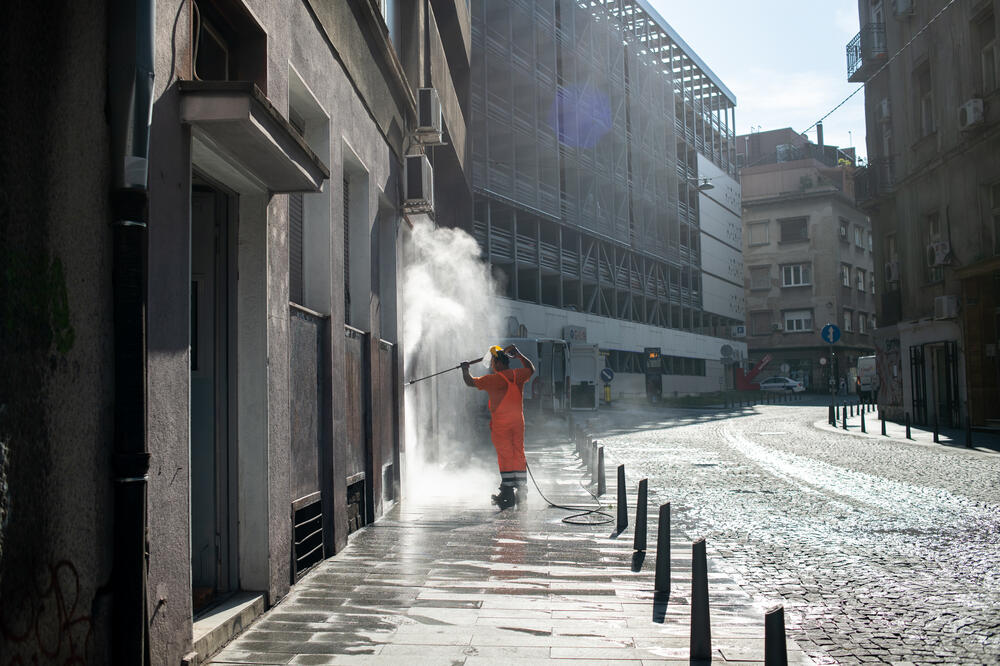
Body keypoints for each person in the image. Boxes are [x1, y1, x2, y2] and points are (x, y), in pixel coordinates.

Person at [461, 345, 535, 510]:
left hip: (502, 424)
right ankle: (521, 490)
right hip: (517, 421)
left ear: (498, 363)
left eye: (493, 362)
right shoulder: (517, 375)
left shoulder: (494, 380)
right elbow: (531, 369)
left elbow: (470, 382)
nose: (492, 366)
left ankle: (507, 493)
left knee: (506, 455)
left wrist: (465, 369)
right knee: (518, 453)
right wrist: (520, 355)